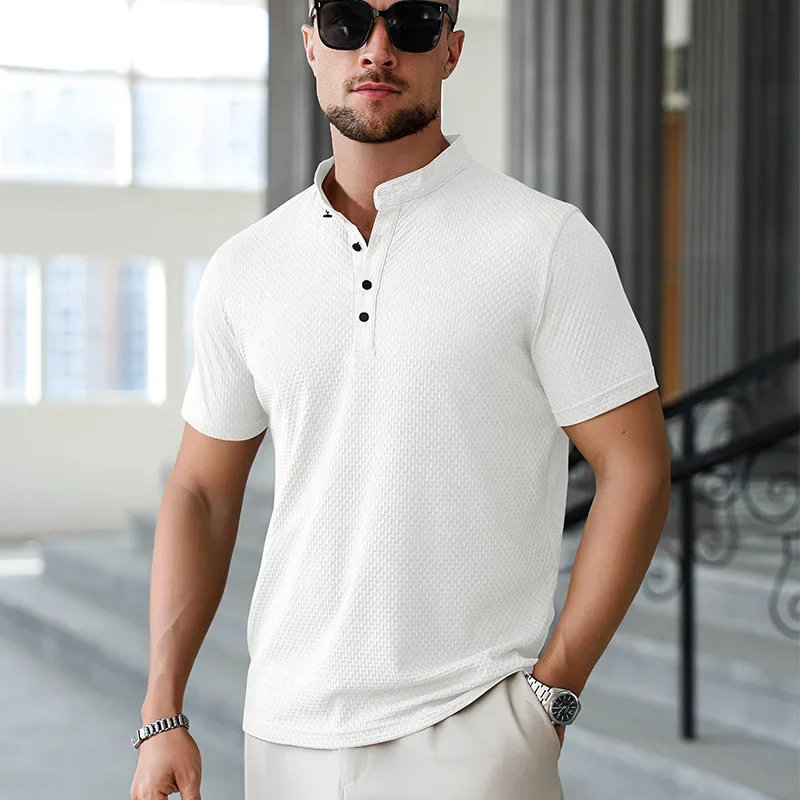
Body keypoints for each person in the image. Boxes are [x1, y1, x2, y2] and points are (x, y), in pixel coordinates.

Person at [130, 1, 672, 798]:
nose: (377, 48)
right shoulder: (246, 267)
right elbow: (201, 492)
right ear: (311, 43)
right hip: (282, 736)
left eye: (412, 21)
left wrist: (551, 694)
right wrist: (162, 709)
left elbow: (636, 467)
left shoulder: (545, 242)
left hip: (474, 732)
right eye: (347, 21)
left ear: (451, 49)